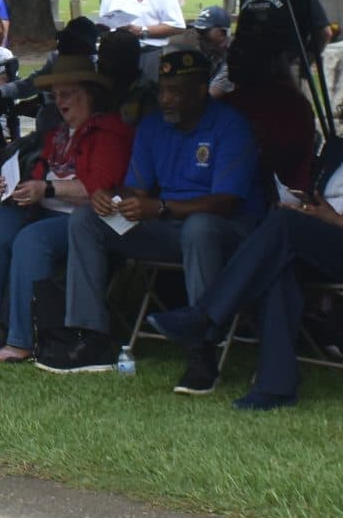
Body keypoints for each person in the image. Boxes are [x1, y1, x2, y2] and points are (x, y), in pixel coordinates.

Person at [167, 56, 343, 405]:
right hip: (316, 242)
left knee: (284, 230)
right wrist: (305, 204)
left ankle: (206, 316)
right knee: (277, 262)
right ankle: (275, 385)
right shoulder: (338, 146)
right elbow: (317, 193)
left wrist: (341, 221)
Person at [35, 48, 263, 375]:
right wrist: (110, 198)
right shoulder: (154, 125)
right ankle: (90, 338)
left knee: (200, 227)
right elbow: (137, 190)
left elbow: (226, 202)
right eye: (162, 90)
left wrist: (161, 207)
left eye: (175, 92)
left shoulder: (230, 125)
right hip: (166, 225)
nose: (166, 99)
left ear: (200, 90)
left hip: (228, 230)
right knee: (87, 219)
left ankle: (203, 347)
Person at [0, 54, 132, 361]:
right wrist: (14, 187)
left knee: (32, 240)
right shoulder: (57, 134)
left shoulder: (110, 132)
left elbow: (98, 189)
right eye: (56, 96)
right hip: (43, 208)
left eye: (68, 94)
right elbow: (39, 175)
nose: (60, 102)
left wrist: (47, 188)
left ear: (90, 94)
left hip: (86, 219)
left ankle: (23, 339)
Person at [215, 28, 318, 201]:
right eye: (232, 53)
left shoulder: (291, 105)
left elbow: (280, 158)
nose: (232, 60)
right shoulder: (228, 102)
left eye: (241, 54)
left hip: (280, 194)